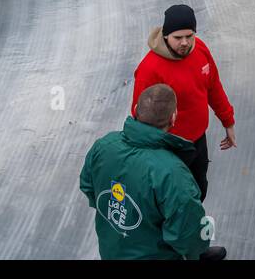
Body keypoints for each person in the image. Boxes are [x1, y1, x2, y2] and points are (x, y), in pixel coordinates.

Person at [79, 84, 226, 261]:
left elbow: (88, 186)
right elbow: (188, 233)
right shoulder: (172, 173)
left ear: (135, 110)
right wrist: (195, 252)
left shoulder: (103, 146)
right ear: (173, 118)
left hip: (112, 250)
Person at [130, 4, 235, 201]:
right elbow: (140, 116)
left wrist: (227, 121)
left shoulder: (200, 48)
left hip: (197, 142)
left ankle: (194, 226)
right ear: (166, 36)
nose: (185, 42)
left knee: (199, 190)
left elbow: (213, 86)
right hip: (169, 149)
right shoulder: (149, 69)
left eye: (190, 36)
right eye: (178, 38)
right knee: (172, 199)